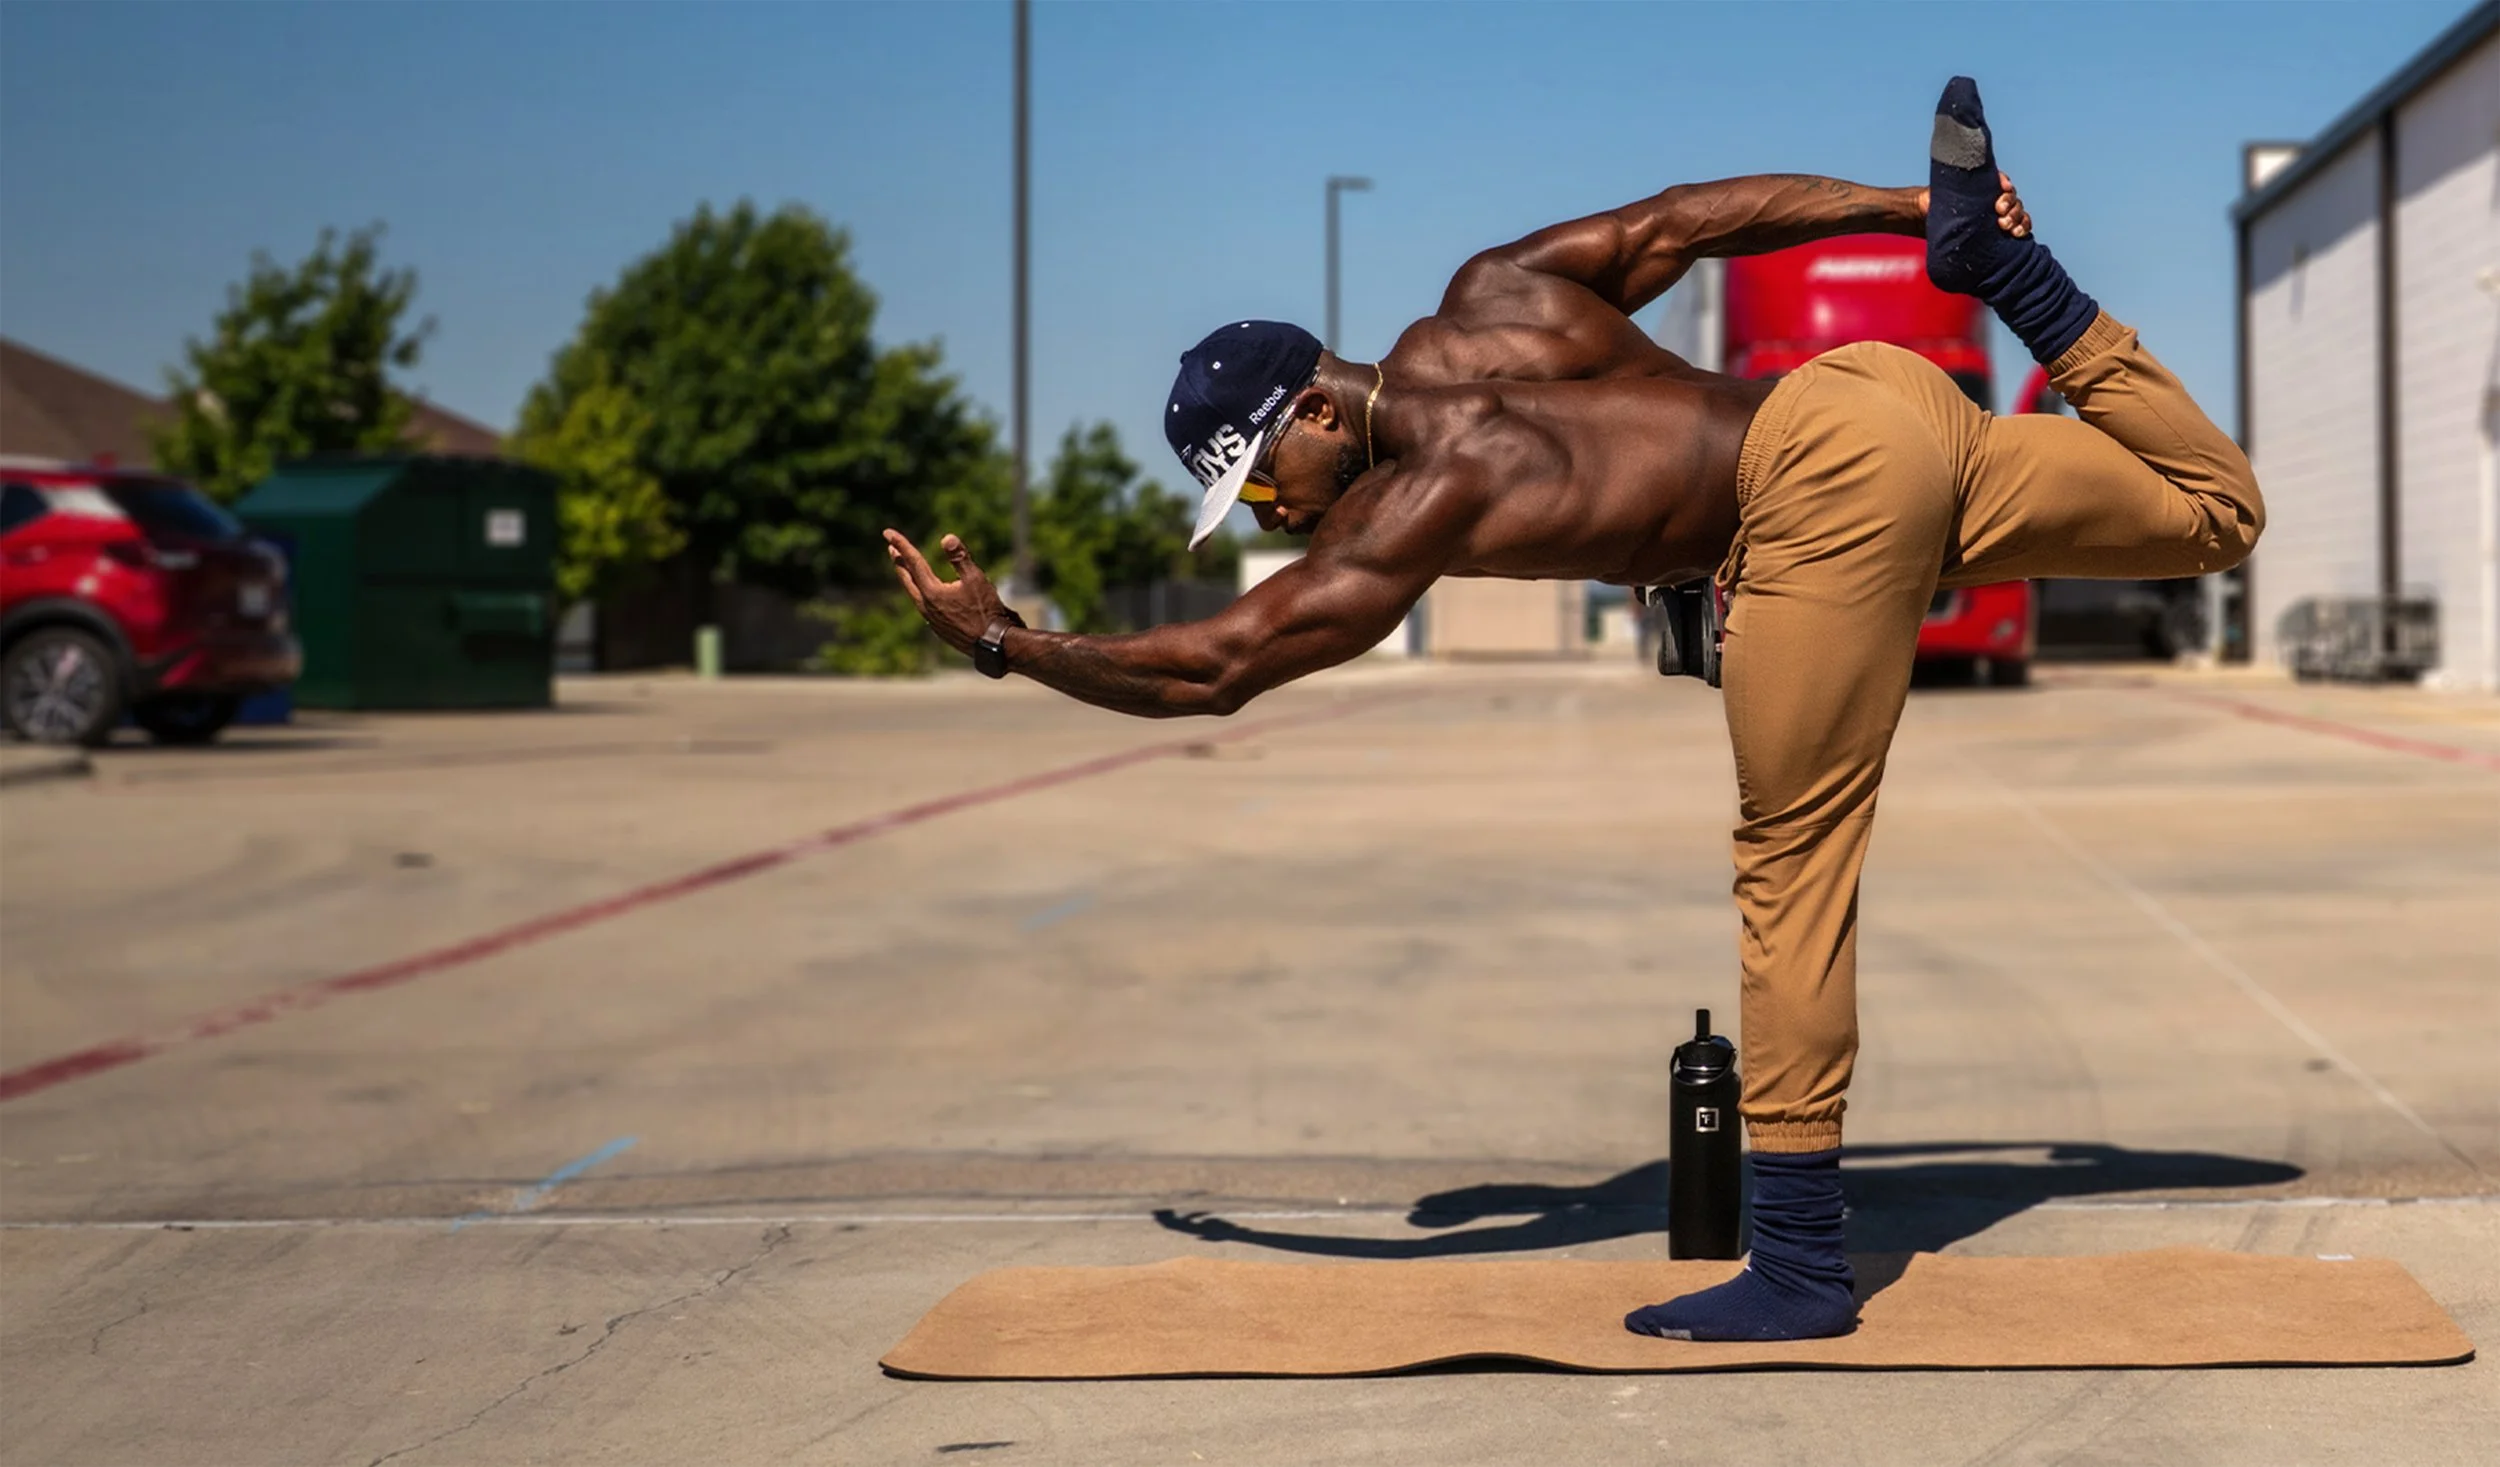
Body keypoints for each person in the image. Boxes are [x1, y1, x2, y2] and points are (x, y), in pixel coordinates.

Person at [884, 79, 2263, 1341]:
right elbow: (1690, 220)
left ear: (1312, 407)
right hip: (1873, 398)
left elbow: (1218, 668)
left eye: (1256, 482)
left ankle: (1798, 1263)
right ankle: (2008, 274)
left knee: (1790, 861)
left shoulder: (1417, 494)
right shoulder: (1493, 291)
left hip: (1819, 496)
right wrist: (1906, 211)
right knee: (2215, 511)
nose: (1272, 515)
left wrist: (1008, 643)